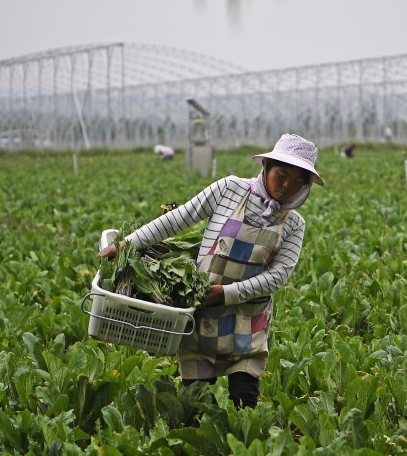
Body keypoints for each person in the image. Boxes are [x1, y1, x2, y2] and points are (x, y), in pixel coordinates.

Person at [100, 133, 323, 409]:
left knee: (246, 394)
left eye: (298, 181)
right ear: (266, 167)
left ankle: (245, 445)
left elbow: (278, 276)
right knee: (194, 392)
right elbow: (177, 219)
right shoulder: (230, 189)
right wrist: (124, 244)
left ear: (306, 186)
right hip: (204, 304)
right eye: (282, 174)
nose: (287, 184)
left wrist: (227, 293)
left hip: (247, 315)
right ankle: (192, 440)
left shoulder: (294, 224)